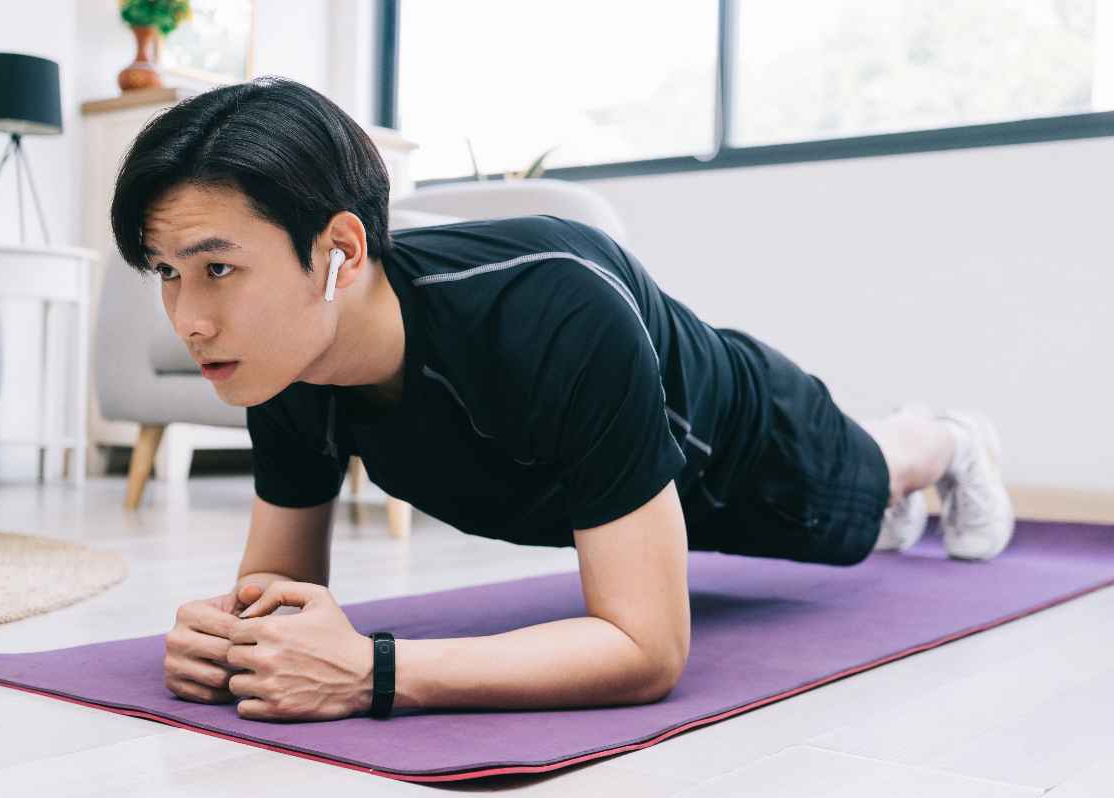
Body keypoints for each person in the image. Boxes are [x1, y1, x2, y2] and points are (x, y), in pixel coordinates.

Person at [113, 76, 1015, 721]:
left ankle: (944, 439)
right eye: (167, 274)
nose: (188, 319)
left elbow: (647, 650)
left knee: (857, 500)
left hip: (745, 445)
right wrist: (233, 645)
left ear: (340, 250)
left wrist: (373, 674)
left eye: (218, 269)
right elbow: (281, 597)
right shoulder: (285, 362)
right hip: (604, 480)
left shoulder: (551, 306)